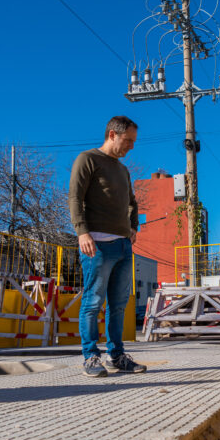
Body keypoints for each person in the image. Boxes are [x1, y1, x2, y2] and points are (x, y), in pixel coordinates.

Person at [68, 115, 146, 377]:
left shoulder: (123, 170)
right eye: (128, 141)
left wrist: (133, 228)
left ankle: (117, 356)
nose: (131, 147)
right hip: (97, 245)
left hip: (124, 247)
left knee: (119, 305)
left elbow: (132, 202)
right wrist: (82, 232)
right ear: (112, 134)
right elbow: (75, 197)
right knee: (92, 302)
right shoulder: (87, 159)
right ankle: (91, 357)